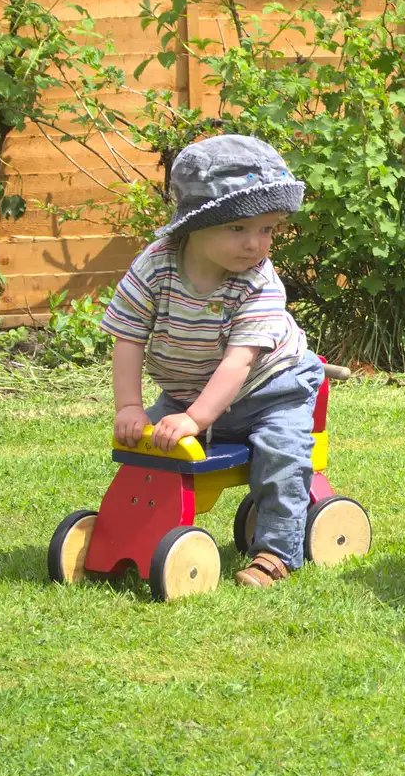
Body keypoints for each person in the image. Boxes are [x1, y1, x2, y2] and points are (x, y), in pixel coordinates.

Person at [101, 135, 324, 589]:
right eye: (238, 228)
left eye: (267, 230)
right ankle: (127, 533)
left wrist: (195, 419)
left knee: (282, 455)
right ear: (194, 226)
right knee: (145, 451)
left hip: (269, 390)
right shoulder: (155, 266)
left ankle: (276, 553)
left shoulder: (259, 284)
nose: (254, 244)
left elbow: (237, 364)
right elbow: (127, 338)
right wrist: (129, 405)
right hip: (186, 391)